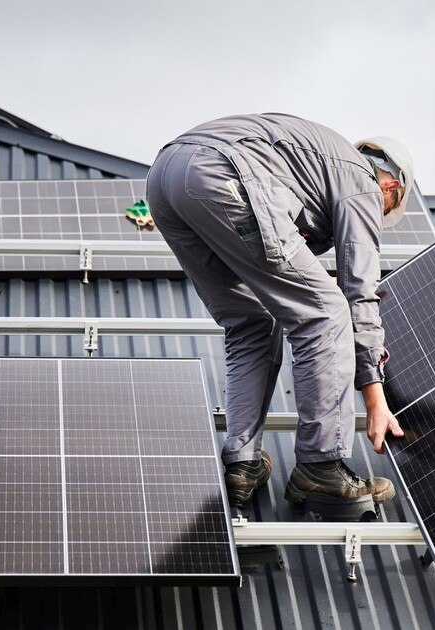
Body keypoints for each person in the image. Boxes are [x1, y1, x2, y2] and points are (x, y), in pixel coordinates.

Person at [145, 113, 409, 510]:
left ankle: (242, 461)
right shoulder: (363, 182)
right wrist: (375, 395)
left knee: (251, 321)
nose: (378, 217)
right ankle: (321, 466)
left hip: (166, 177)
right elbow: (360, 291)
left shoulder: (316, 163)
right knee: (325, 311)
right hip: (223, 171)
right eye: (385, 210)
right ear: (391, 185)